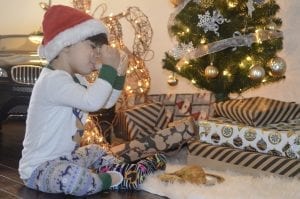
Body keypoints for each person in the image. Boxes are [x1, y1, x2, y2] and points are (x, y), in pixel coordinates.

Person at [18, 5, 166, 196]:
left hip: (66, 158)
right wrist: (108, 69)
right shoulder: (52, 80)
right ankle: (112, 179)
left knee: (96, 150)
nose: (97, 54)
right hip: (38, 169)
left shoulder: (77, 79)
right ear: (66, 45)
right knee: (77, 180)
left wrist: (119, 74)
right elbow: (92, 102)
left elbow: (105, 103)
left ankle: (122, 171)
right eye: (93, 46)